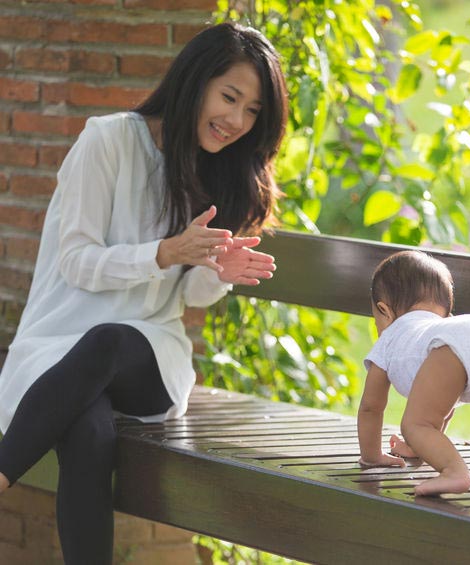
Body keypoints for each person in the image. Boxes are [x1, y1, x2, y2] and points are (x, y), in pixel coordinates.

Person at [0, 22, 287, 564]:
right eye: (230, 97)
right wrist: (164, 252)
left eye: (252, 112)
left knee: (110, 341)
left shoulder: (219, 172)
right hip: (58, 348)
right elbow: (76, 262)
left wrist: (216, 269)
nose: (236, 121)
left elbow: (193, 297)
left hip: (148, 357)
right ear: (194, 80)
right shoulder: (106, 140)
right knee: (86, 429)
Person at [357, 250, 470, 496]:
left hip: (458, 349)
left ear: (384, 311)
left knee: (415, 424)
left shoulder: (393, 336)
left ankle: (454, 471)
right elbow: (441, 408)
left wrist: (371, 457)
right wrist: (418, 446)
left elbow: (370, 408)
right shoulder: (445, 329)